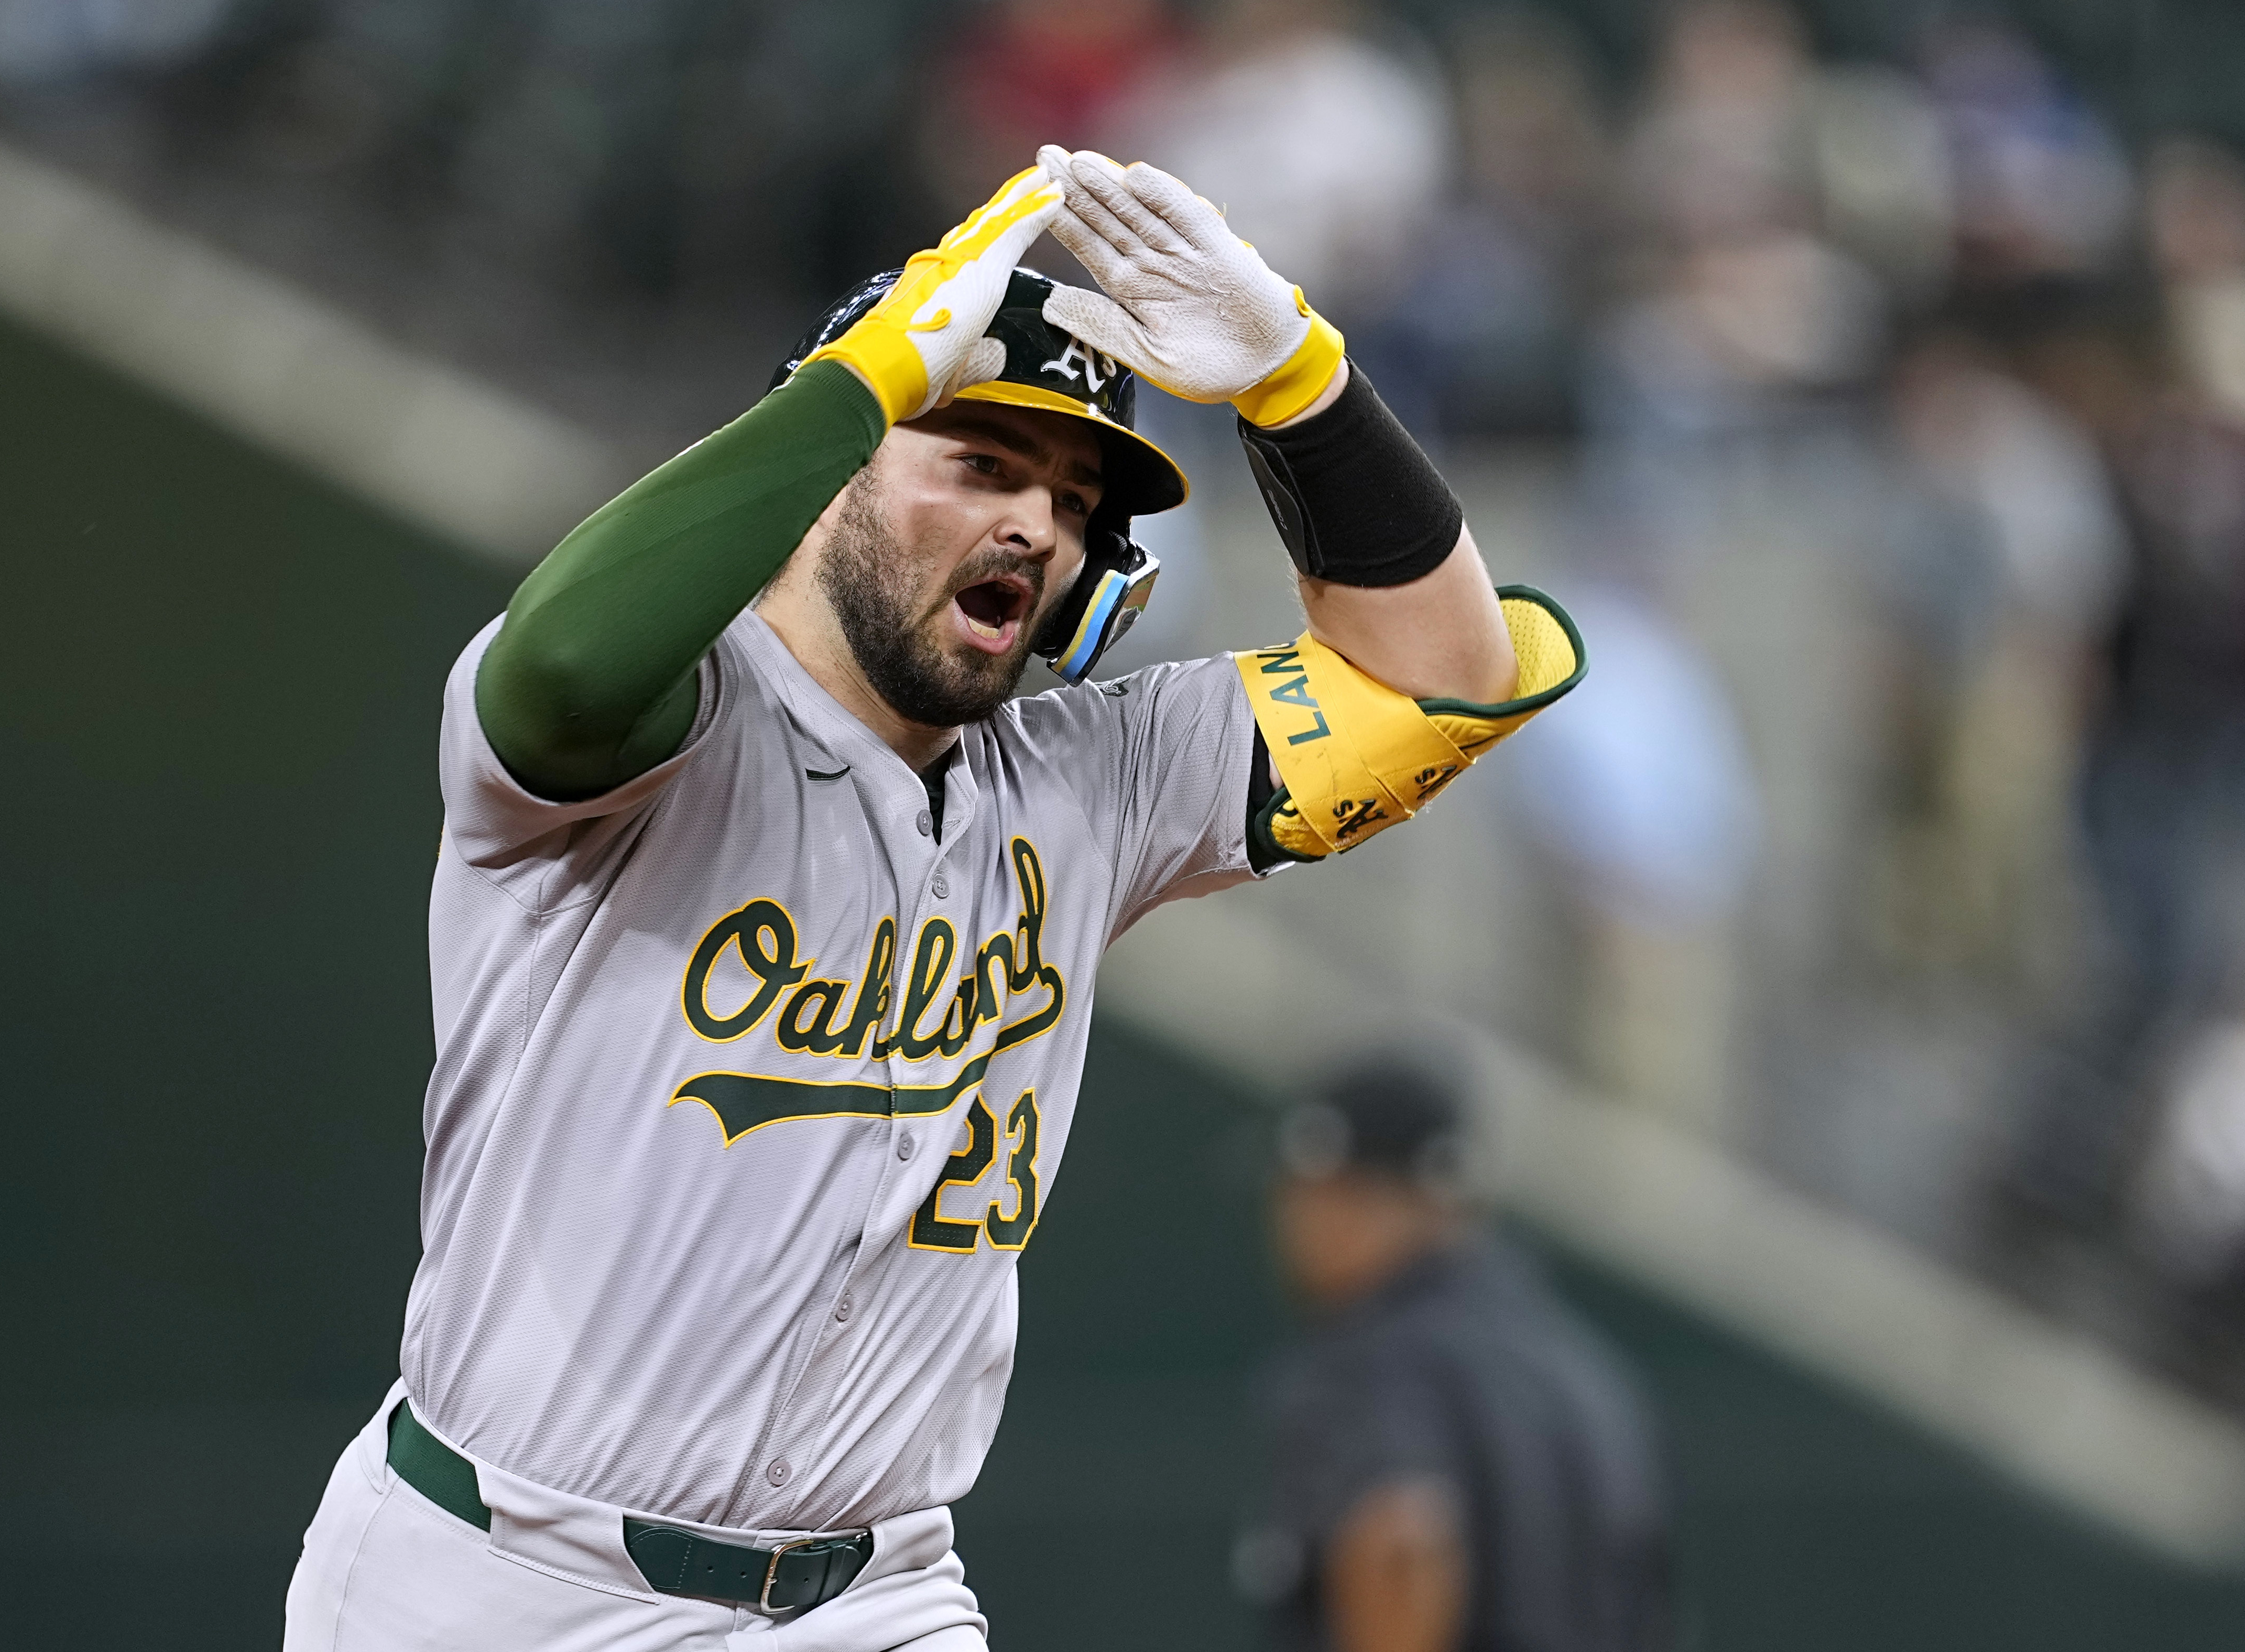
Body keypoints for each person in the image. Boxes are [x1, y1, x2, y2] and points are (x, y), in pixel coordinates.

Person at [281, 150, 1584, 1652]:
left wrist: (1303, 381)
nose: (1036, 524)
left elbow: (1450, 673)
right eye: (977, 461)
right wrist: (869, 371)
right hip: (505, 1581)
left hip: (875, 1597)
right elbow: (561, 674)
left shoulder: (1099, 777)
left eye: (1075, 498)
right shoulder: (669, 724)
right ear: (821, 470)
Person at [1236, 1055, 1670, 1652]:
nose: (1289, 1219)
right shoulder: (1589, 1375)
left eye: (1306, 1193)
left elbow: (1406, 1540)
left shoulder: (1372, 1354)